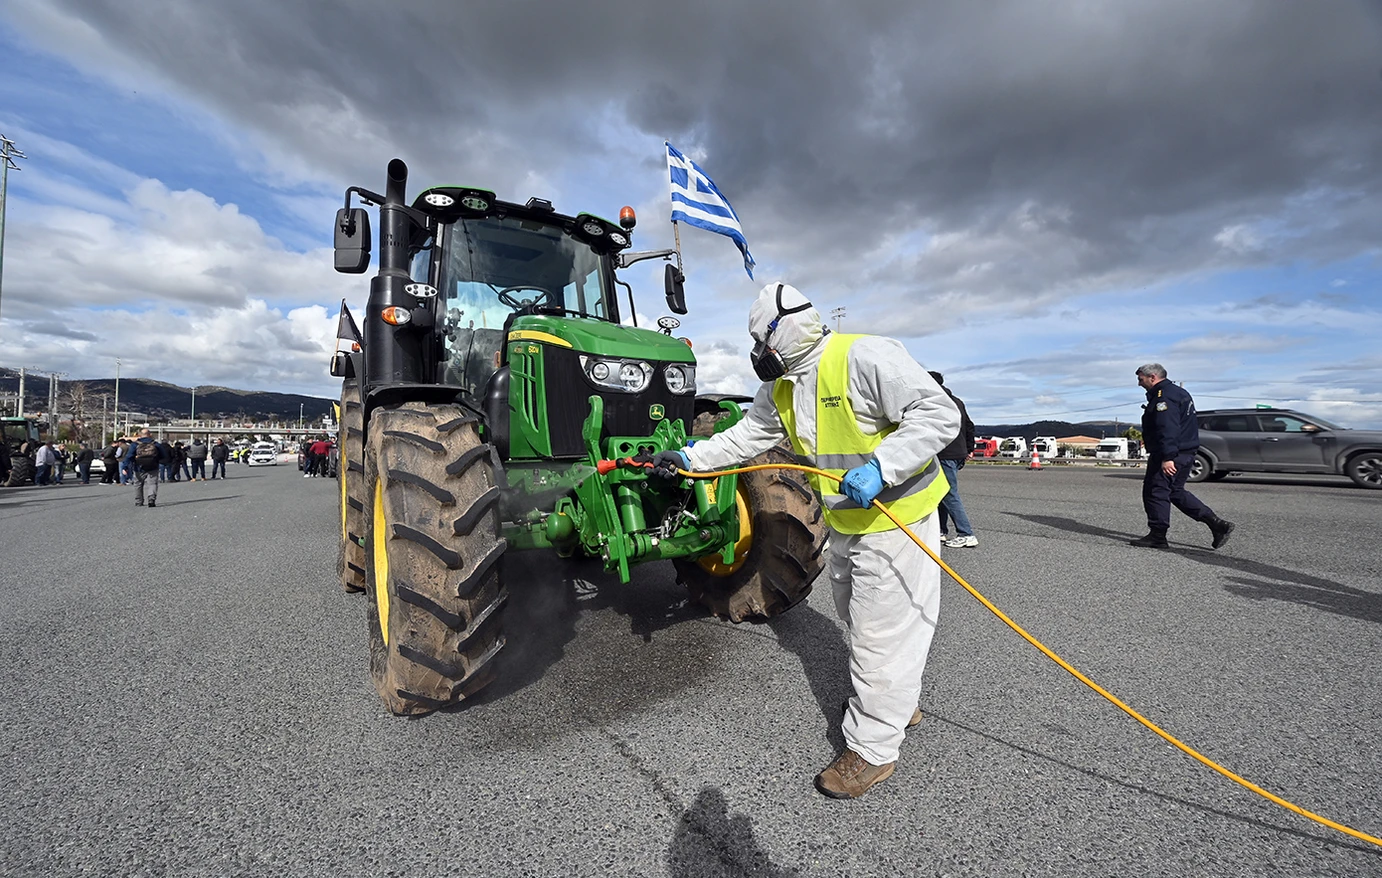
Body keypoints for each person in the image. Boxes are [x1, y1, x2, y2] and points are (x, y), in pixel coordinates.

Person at [652, 283, 959, 799]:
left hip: (896, 517)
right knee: (856, 614)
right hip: (846, 519)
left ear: (788, 328)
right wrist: (692, 459)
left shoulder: (865, 356)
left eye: (760, 339)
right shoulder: (785, 386)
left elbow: (938, 414)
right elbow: (747, 437)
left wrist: (883, 467)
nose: (757, 352)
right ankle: (896, 703)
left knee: (881, 634)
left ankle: (871, 751)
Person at [1131, 364, 1235, 549]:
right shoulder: (1178, 393)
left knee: (1156, 492)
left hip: (1172, 454)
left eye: (1141, 379)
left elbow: (1167, 428)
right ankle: (1217, 524)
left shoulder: (1165, 397)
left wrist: (1167, 457)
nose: (1139, 384)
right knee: (1174, 492)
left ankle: (1157, 536)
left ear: (1153, 377)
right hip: (1184, 452)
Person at [928, 372, 978, 548]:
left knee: (949, 494)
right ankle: (941, 530)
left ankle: (966, 533)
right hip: (958, 453)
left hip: (944, 453)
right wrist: (970, 448)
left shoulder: (934, 400)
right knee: (942, 492)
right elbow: (969, 426)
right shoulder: (957, 401)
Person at [123, 428, 168, 507]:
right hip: (153, 466)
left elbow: (129, 456)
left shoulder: (135, 444)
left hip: (139, 467)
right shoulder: (155, 444)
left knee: (138, 484)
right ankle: (151, 498)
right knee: (152, 483)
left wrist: (125, 467)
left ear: (140, 435)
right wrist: (157, 460)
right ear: (149, 434)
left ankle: (139, 501)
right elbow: (164, 455)